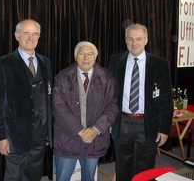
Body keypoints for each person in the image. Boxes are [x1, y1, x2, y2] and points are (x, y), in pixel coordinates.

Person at [108, 23, 174, 181]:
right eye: (130, 39)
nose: (134, 43)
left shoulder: (160, 64)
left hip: (148, 123)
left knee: (145, 168)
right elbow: (109, 94)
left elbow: (166, 100)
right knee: (122, 167)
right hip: (122, 122)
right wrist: (109, 121)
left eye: (138, 39)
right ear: (125, 41)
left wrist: (164, 129)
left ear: (146, 40)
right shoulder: (115, 61)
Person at [0, 19, 52, 181]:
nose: (30, 38)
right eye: (26, 33)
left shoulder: (46, 62)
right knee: (14, 177)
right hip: (14, 136)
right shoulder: (3, 64)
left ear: (39, 37)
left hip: (40, 133)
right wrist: (0, 137)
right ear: (17, 36)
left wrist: (48, 133)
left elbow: (47, 98)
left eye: (35, 34)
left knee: (33, 175)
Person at [52, 41, 118, 181]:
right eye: (82, 54)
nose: (86, 58)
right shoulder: (62, 77)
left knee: (89, 178)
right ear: (75, 56)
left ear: (96, 56)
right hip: (67, 139)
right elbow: (58, 108)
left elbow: (112, 106)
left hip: (94, 139)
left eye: (90, 54)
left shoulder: (107, 78)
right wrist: (80, 130)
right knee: (62, 178)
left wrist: (96, 129)